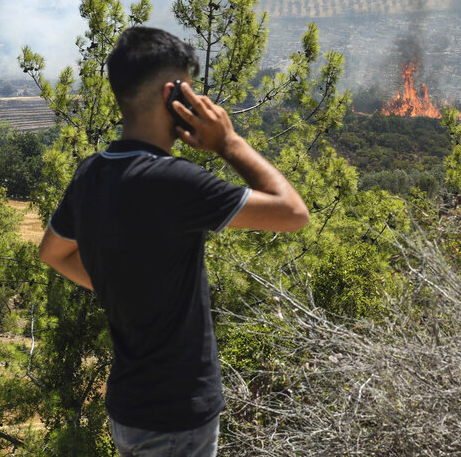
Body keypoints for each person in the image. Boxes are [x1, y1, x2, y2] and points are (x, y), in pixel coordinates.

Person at [38, 26, 309, 457]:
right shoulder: (175, 181)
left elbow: (52, 253)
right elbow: (294, 213)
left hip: (129, 410)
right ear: (173, 95)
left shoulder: (91, 174)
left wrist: (118, 286)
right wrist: (229, 142)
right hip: (177, 418)